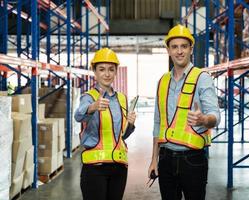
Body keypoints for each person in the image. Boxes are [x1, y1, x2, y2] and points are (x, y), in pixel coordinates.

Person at [148, 24, 220, 200]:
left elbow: (215, 117)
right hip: (165, 159)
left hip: (193, 159)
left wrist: (203, 119)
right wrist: (153, 160)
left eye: (184, 46)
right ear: (169, 50)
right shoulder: (162, 81)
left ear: (190, 49)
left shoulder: (202, 78)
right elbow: (158, 123)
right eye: (174, 47)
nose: (179, 51)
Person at [75, 47, 136, 200]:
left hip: (119, 167)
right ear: (94, 72)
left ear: (116, 71)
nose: (107, 74)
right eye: (101, 69)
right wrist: (92, 107)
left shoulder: (122, 99)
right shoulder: (88, 97)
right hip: (95, 168)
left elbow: (122, 135)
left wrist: (130, 125)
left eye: (111, 69)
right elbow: (78, 116)